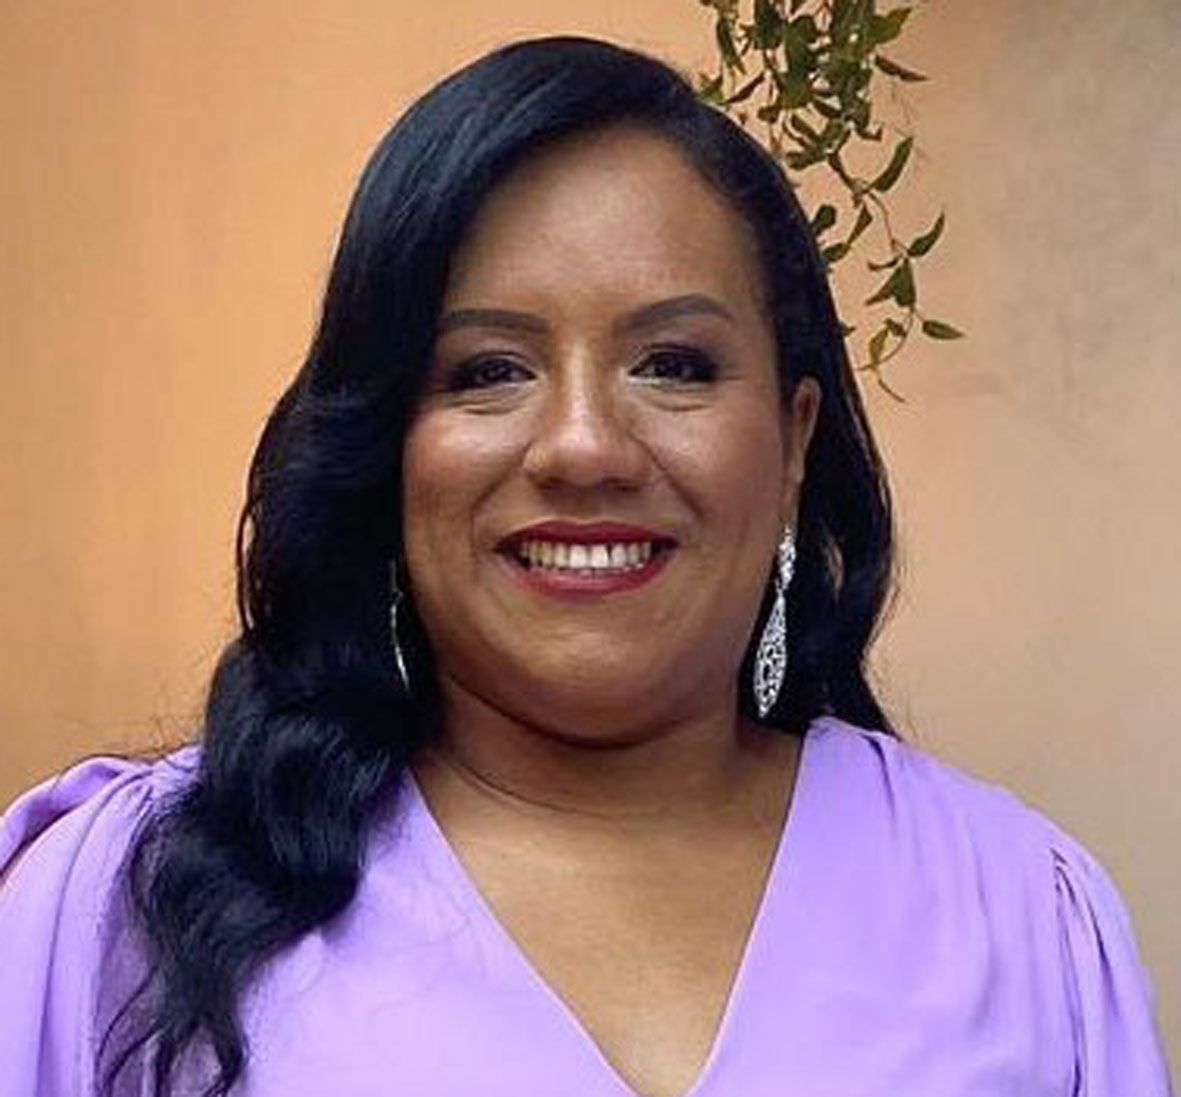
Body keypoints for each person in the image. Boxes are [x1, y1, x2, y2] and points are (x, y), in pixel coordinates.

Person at [0, 34, 1172, 1097]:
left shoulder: (1021, 917)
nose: (582, 445)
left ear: (792, 440)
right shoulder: (127, 908)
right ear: (387, 449)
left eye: (673, 364)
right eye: (485, 370)